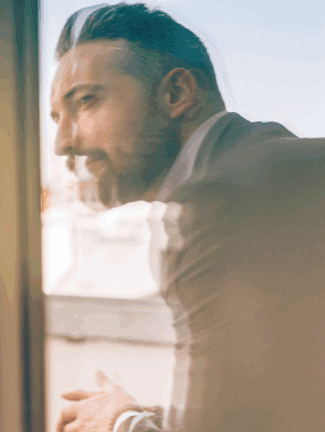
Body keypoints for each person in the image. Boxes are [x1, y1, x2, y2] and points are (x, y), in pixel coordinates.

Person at [50, 3, 325, 432]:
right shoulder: (269, 165)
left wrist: (121, 422)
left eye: (86, 101)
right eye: (57, 118)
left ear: (177, 94)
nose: (62, 143)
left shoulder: (219, 203)